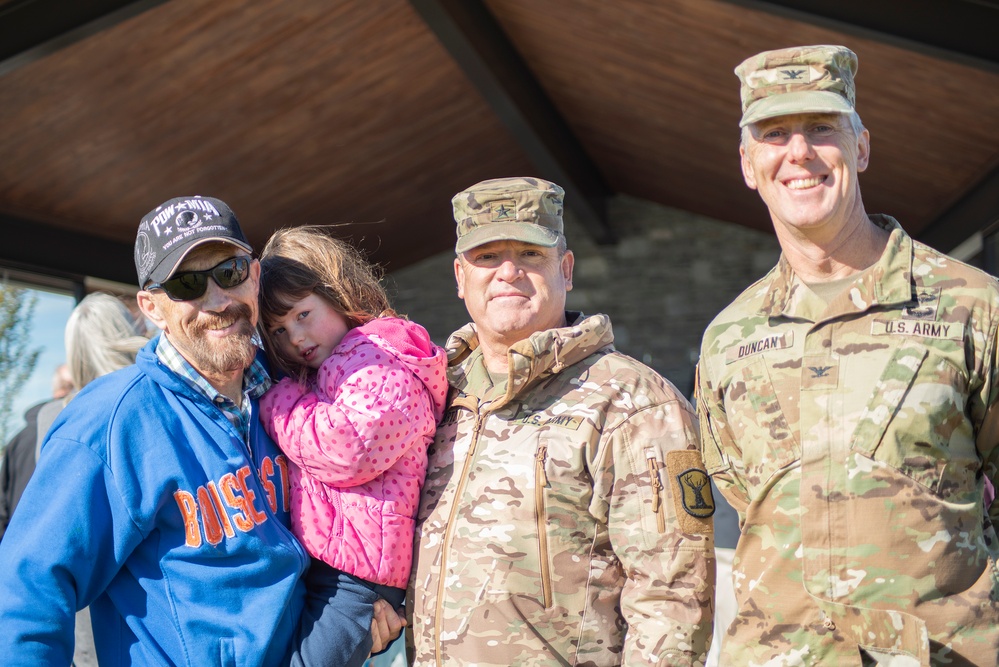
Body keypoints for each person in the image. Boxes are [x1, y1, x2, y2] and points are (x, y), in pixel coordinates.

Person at [0, 196, 406, 665]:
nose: (217, 300)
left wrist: (356, 621)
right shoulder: (111, 421)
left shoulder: (289, 391)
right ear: (151, 307)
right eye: (187, 283)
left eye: (229, 272)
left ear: (254, 276)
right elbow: (25, 594)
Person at [696, 45, 999, 665]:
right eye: (774, 134)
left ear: (861, 147)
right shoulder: (728, 338)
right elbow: (739, 491)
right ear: (749, 165)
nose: (799, 152)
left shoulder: (973, 307)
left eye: (822, 128)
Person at [408, 177, 715, 666]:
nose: (508, 271)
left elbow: (672, 599)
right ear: (460, 277)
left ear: (565, 269)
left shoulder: (632, 404)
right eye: (486, 256)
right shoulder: (430, 394)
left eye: (530, 254)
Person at [256, 225, 447, 666]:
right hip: (335, 564)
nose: (296, 338)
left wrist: (276, 399)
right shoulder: (335, 363)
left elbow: (349, 448)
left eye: (302, 314)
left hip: (361, 579)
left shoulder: (380, 358)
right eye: (279, 331)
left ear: (338, 292)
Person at [0, 366, 73, 543]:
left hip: (15, 547)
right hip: (54, 546)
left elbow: (2, 505)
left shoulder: (18, 439)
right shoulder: (71, 433)